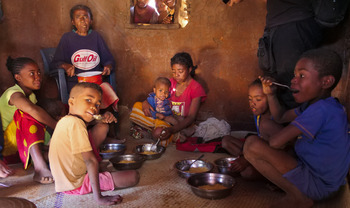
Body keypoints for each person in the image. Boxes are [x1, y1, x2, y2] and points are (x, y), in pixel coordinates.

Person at [243, 49, 350, 207]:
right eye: (294, 75)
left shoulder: (320, 110)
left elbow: (275, 143)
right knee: (265, 129)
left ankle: (297, 196)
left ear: (326, 82)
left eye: (302, 75)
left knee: (251, 145)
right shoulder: (322, 105)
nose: (293, 80)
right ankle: (290, 185)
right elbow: (280, 117)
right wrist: (271, 94)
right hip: (325, 180)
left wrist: (271, 150)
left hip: (318, 185)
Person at [49, 82, 139, 206]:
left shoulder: (67, 120)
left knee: (101, 129)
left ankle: (95, 175)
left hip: (65, 181)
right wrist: (99, 197)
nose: (94, 107)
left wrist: (102, 117)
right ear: (71, 102)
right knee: (133, 176)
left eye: (97, 104)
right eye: (88, 100)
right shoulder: (76, 124)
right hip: (76, 184)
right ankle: (94, 186)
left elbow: (90, 122)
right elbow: (90, 161)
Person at [228, 0, 323, 109]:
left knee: (292, 86)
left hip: (292, 25)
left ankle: (294, 124)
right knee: (276, 84)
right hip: (279, 26)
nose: (231, 4)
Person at [50, 4, 119, 112]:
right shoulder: (67, 38)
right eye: (78, 17)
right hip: (76, 83)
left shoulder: (96, 37)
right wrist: (65, 66)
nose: (82, 20)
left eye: (85, 17)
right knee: (86, 97)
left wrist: (108, 66)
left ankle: (102, 119)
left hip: (97, 83)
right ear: (73, 22)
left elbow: (109, 59)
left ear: (91, 20)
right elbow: (55, 63)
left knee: (104, 91)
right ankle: (91, 121)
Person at [0, 57, 57, 184]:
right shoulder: (13, 94)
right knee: (27, 113)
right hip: (6, 149)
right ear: (18, 77)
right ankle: (39, 168)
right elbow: (33, 111)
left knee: (49, 111)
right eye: (32, 73)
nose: (38, 77)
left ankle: (46, 155)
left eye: (38, 72)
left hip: (22, 149)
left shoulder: (31, 95)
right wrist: (58, 126)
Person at [130, 52, 207, 146]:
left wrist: (172, 129)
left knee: (159, 133)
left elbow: (191, 117)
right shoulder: (170, 82)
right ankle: (165, 132)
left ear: (189, 69)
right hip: (161, 117)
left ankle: (173, 134)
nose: (176, 75)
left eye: (180, 71)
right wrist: (145, 103)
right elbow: (156, 97)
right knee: (136, 107)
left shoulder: (196, 88)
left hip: (180, 123)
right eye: (173, 71)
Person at [221, 78, 283, 179]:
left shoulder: (273, 120)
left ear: (269, 98)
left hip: (274, 158)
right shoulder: (258, 115)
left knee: (247, 173)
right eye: (250, 99)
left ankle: (273, 179)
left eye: (258, 99)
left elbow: (274, 150)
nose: (252, 103)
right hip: (259, 151)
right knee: (226, 141)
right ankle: (248, 158)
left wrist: (246, 160)